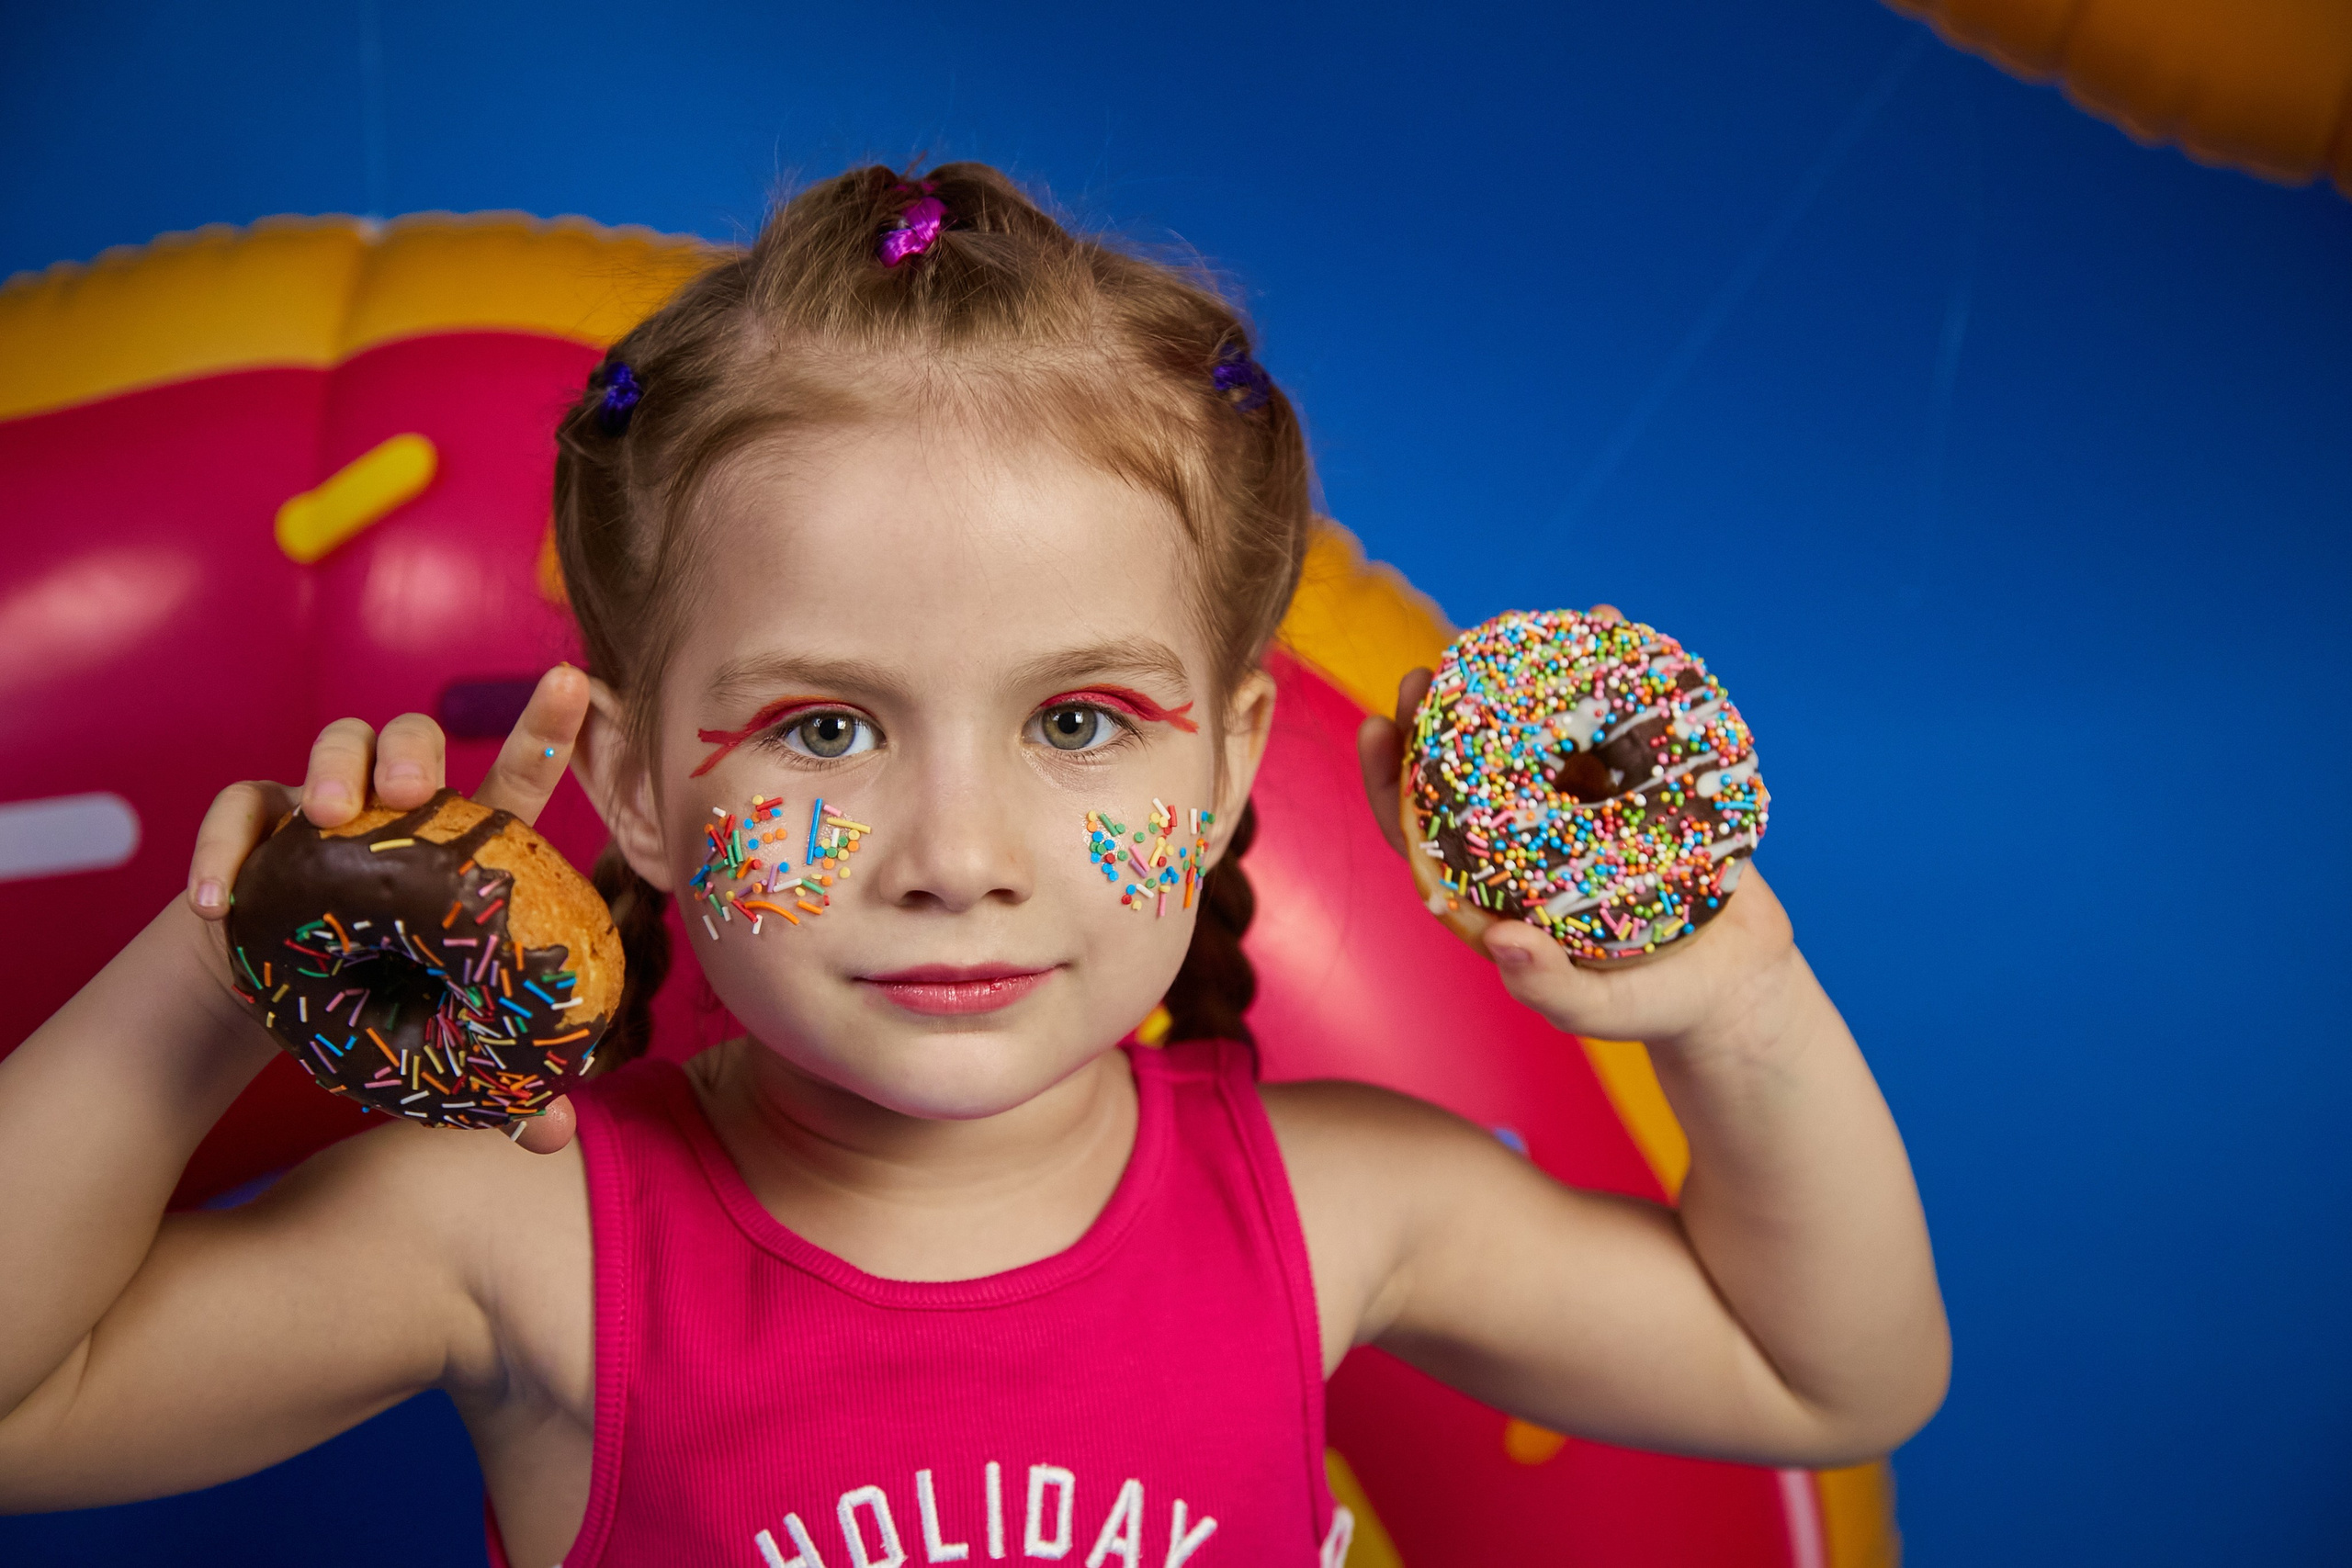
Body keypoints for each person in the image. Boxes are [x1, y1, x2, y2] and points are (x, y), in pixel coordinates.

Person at [0, 164, 1947, 1568]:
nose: (954, 855)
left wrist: (1736, 1003)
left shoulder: (1331, 1204)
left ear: (1227, 762)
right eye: (824, 727)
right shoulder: (526, 1238)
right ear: (640, 788)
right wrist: (228, 958)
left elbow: (1821, 1376)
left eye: (1079, 720)